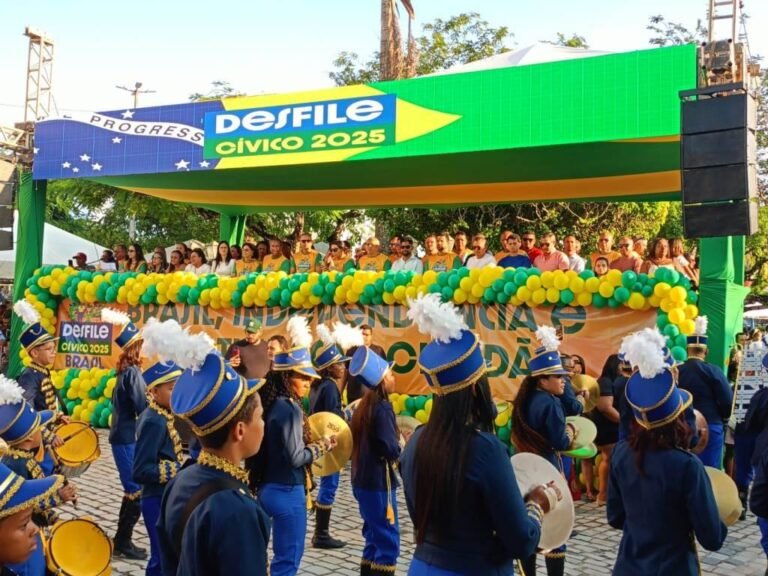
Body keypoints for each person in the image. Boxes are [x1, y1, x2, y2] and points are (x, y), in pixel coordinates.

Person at [401, 294, 555, 576]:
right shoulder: (485, 448)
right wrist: (537, 505)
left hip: (423, 566)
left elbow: (420, 518)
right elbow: (521, 541)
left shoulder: (415, 442)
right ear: (475, 389)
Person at [153, 319, 270, 576]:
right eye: (260, 417)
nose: (264, 425)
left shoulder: (183, 478)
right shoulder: (239, 512)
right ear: (240, 430)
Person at [608, 329, 727, 575]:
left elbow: (616, 517)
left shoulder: (620, 453)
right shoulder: (686, 465)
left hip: (628, 567)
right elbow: (712, 537)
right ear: (680, 419)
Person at [249, 317, 335, 576]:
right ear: (287, 378)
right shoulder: (288, 410)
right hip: (287, 493)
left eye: (309, 379)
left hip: (268, 488)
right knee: (287, 562)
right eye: (303, 378)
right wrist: (322, 447)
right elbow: (296, 457)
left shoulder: (274, 405)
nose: (309, 384)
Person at [511, 326, 577, 576]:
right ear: (542, 380)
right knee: (554, 527)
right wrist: (570, 431)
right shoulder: (549, 404)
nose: (563, 379)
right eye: (557, 376)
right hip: (547, 467)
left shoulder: (527, 399)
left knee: (530, 524)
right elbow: (561, 442)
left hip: (527, 468)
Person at [0, 377, 78, 576]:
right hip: (19, 542)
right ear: (28, 438)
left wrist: (53, 518)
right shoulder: (17, 463)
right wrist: (58, 497)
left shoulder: (24, 457)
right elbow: (23, 507)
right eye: (39, 430)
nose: (43, 433)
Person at [348, 346, 401, 576]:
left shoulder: (365, 405)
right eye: (390, 374)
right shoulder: (382, 407)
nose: (393, 377)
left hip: (362, 480)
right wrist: (400, 445)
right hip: (378, 484)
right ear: (381, 380)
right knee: (388, 543)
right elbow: (389, 448)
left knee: (373, 537)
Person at [102, 309, 148, 560]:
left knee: (133, 489)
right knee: (135, 491)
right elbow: (142, 405)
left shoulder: (124, 371)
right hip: (126, 437)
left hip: (123, 436)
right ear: (135, 350)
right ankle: (124, 541)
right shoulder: (133, 373)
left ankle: (122, 539)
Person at [133, 359, 184, 576]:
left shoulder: (162, 415)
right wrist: (177, 470)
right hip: (156, 498)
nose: (178, 393)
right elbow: (140, 470)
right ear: (154, 392)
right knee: (162, 558)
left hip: (165, 496)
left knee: (166, 555)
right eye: (172, 389)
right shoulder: (154, 421)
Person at [309, 325, 352, 549]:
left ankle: (321, 532)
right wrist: (348, 414)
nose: (343, 367)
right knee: (329, 486)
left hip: (319, 442)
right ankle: (321, 533)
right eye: (339, 364)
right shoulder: (330, 388)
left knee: (328, 484)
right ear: (329, 367)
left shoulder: (317, 386)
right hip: (330, 444)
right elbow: (333, 419)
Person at [677, 317, 732, 469]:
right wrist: (724, 418)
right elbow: (727, 401)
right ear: (706, 351)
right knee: (710, 471)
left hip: (682, 428)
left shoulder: (677, 372)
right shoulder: (714, 371)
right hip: (710, 425)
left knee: (684, 471)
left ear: (687, 350)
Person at [592, 360, 620, 505]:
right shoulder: (605, 382)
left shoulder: (607, 381)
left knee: (608, 459)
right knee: (610, 460)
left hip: (608, 427)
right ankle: (603, 495)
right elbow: (605, 407)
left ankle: (605, 495)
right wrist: (622, 421)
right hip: (607, 428)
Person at [346, 325, 386, 404]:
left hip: (373, 396)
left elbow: (384, 374)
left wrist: (384, 394)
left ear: (371, 336)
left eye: (367, 335)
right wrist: (340, 392)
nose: (364, 337)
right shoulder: (351, 351)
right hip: (353, 395)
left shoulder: (379, 351)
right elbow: (345, 372)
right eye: (362, 334)